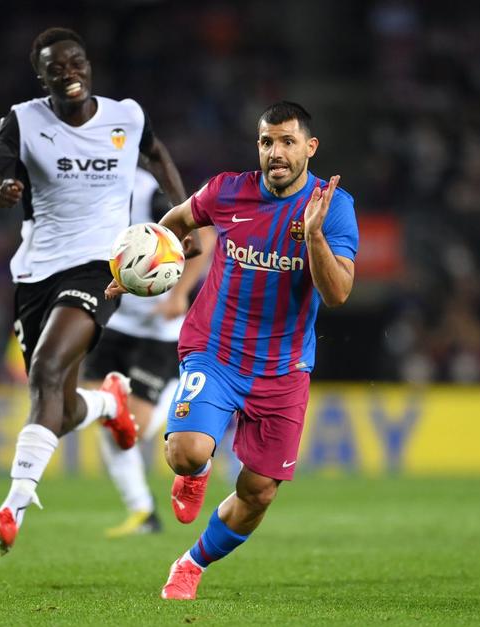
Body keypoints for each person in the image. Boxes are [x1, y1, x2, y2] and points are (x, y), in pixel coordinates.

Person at [106, 101, 359, 599]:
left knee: (259, 492)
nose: (276, 152)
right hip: (214, 350)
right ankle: (196, 472)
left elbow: (338, 293)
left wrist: (312, 236)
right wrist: (139, 266)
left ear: (310, 148)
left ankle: (190, 564)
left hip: (283, 369)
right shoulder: (227, 191)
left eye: (287, 142)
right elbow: (177, 220)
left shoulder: (335, 207)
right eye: (267, 141)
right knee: (185, 452)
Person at [0, 27, 190, 556]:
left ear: (89, 66)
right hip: (35, 273)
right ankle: (109, 403)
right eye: (55, 66)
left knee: (42, 370)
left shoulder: (126, 117)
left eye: (76, 62)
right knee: (56, 411)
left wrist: (185, 222)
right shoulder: (23, 121)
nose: (69, 72)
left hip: (99, 270)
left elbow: (159, 156)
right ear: (40, 77)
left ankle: (11, 510)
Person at [82, 165, 214, 538]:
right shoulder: (86, 190)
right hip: (117, 321)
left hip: (159, 328)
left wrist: (181, 293)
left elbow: (204, 231)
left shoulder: (147, 192)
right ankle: (142, 511)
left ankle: (175, 391)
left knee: (133, 427)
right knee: (106, 416)